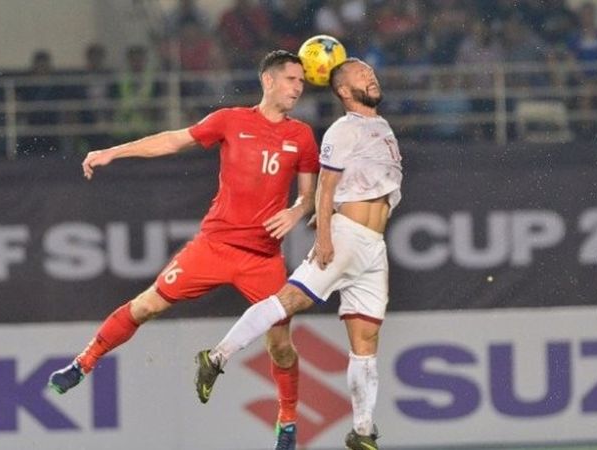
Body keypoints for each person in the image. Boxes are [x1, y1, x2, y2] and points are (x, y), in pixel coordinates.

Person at [48, 50, 319, 450]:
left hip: (263, 259)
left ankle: (289, 422)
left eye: (301, 81)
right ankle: (82, 363)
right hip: (214, 246)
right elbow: (174, 140)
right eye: (292, 79)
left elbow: (309, 196)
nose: (298, 87)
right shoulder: (231, 120)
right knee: (146, 306)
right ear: (268, 81)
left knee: (280, 345)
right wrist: (113, 152)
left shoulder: (302, 135)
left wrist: (298, 211)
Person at [194, 58, 402, 450]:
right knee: (289, 301)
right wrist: (324, 235)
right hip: (346, 237)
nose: (371, 76)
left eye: (371, 73)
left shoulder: (382, 127)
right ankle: (217, 356)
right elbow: (325, 187)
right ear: (342, 90)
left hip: (374, 247)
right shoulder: (343, 130)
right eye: (361, 74)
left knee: (367, 336)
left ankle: (361, 431)